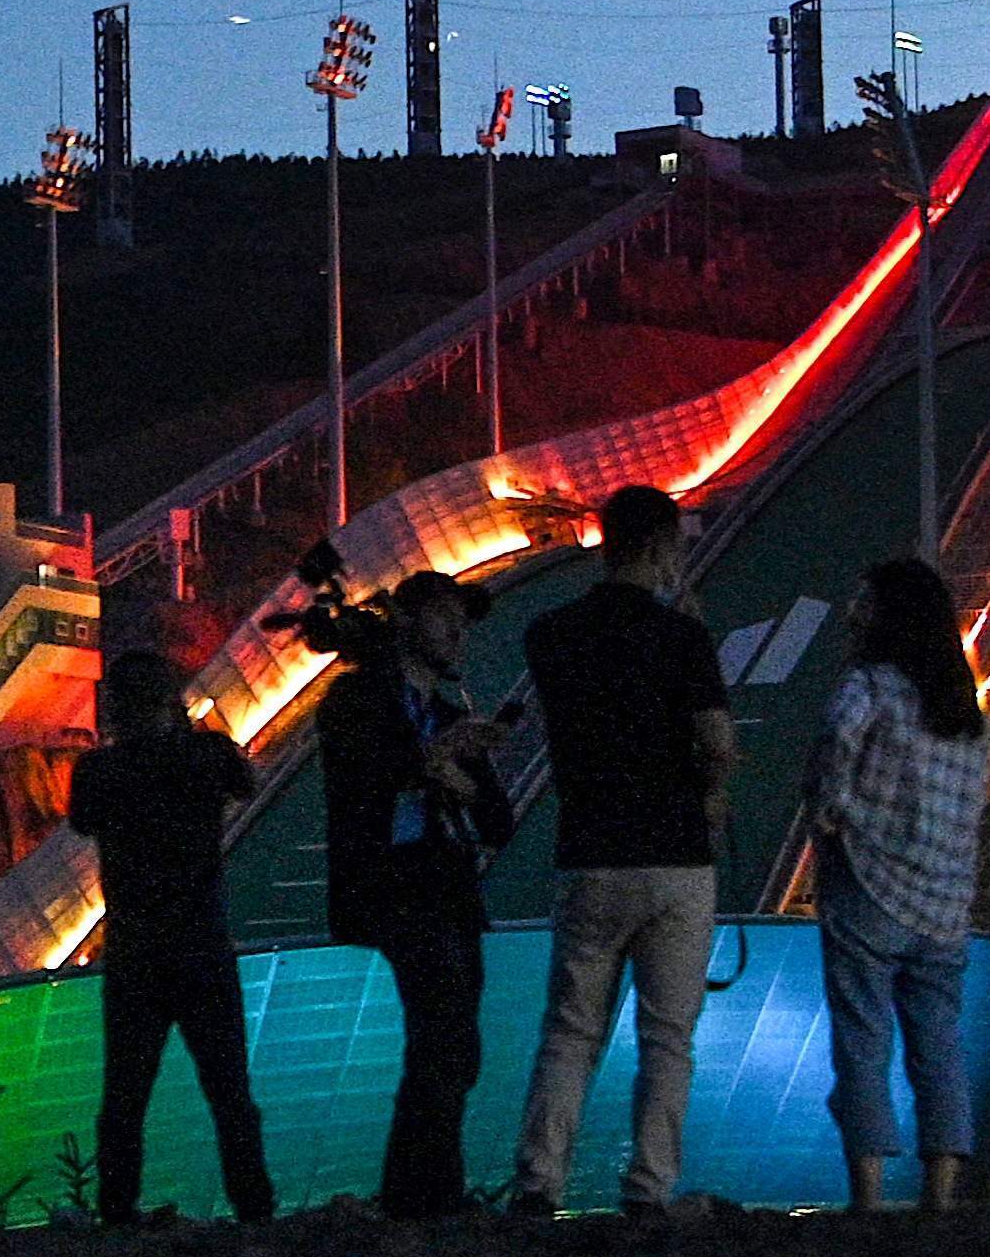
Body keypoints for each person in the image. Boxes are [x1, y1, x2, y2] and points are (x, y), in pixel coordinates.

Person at [505, 486, 738, 1217]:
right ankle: (647, 1186)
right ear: (661, 545)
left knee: (572, 1030)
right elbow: (717, 743)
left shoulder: (550, 634)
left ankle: (538, 1181)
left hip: (592, 849)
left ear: (606, 541)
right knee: (667, 1037)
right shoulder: (682, 637)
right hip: (675, 855)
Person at [312, 561, 513, 1216]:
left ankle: (421, 1192)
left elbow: (496, 819)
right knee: (442, 1034)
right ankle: (424, 1195)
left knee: (453, 1042)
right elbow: (356, 782)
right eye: (445, 618)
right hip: (397, 890)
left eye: (461, 622)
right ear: (406, 623)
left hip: (445, 890)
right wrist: (434, 761)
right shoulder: (355, 699)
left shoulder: (448, 713)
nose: (458, 633)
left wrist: (464, 770)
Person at [63, 649, 273, 1223]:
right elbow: (245, 781)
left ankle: (117, 1211)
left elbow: (81, 820)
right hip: (202, 940)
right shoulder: (204, 755)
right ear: (168, 701)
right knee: (229, 1090)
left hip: (134, 945)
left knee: (126, 1094)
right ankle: (254, 1207)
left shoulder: (99, 771)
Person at [808, 558, 990, 1211]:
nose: (853, 611)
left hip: (868, 887)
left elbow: (834, 751)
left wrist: (829, 814)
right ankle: (941, 1194)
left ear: (887, 615)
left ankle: (868, 1195)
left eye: (864, 600)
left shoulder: (869, 687)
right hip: (943, 905)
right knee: (938, 1048)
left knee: (862, 1042)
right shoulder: (966, 712)